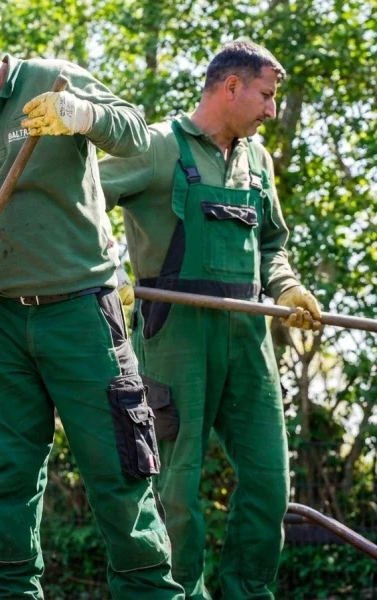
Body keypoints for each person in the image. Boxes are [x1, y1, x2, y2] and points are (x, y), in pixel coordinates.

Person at [0, 6, 184, 599]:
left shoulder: (52, 81)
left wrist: (80, 115)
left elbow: (136, 131)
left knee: (120, 471)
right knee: (6, 477)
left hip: (82, 315)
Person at [99, 40, 322, 600]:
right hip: (175, 331)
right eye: (266, 96)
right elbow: (80, 200)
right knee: (178, 487)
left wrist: (288, 286)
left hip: (248, 335)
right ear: (231, 87)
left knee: (271, 480)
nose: (272, 110)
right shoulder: (156, 147)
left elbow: (271, 244)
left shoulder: (258, 162)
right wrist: (102, 264)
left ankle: (249, 592)